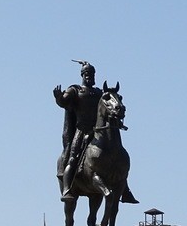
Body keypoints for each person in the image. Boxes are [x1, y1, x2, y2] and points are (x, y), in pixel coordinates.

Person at [53, 61, 139, 204]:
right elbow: (64, 102)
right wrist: (59, 98)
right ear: (82, 75)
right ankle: (67, 188)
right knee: (73, 157)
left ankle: (125, 189)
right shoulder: (75, 90)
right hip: (81, 130)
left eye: (92, 74)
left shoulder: (100, 93)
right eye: (87, 74)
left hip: (98, 130)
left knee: (117, 155)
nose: (90, 77)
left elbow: (108, 107)